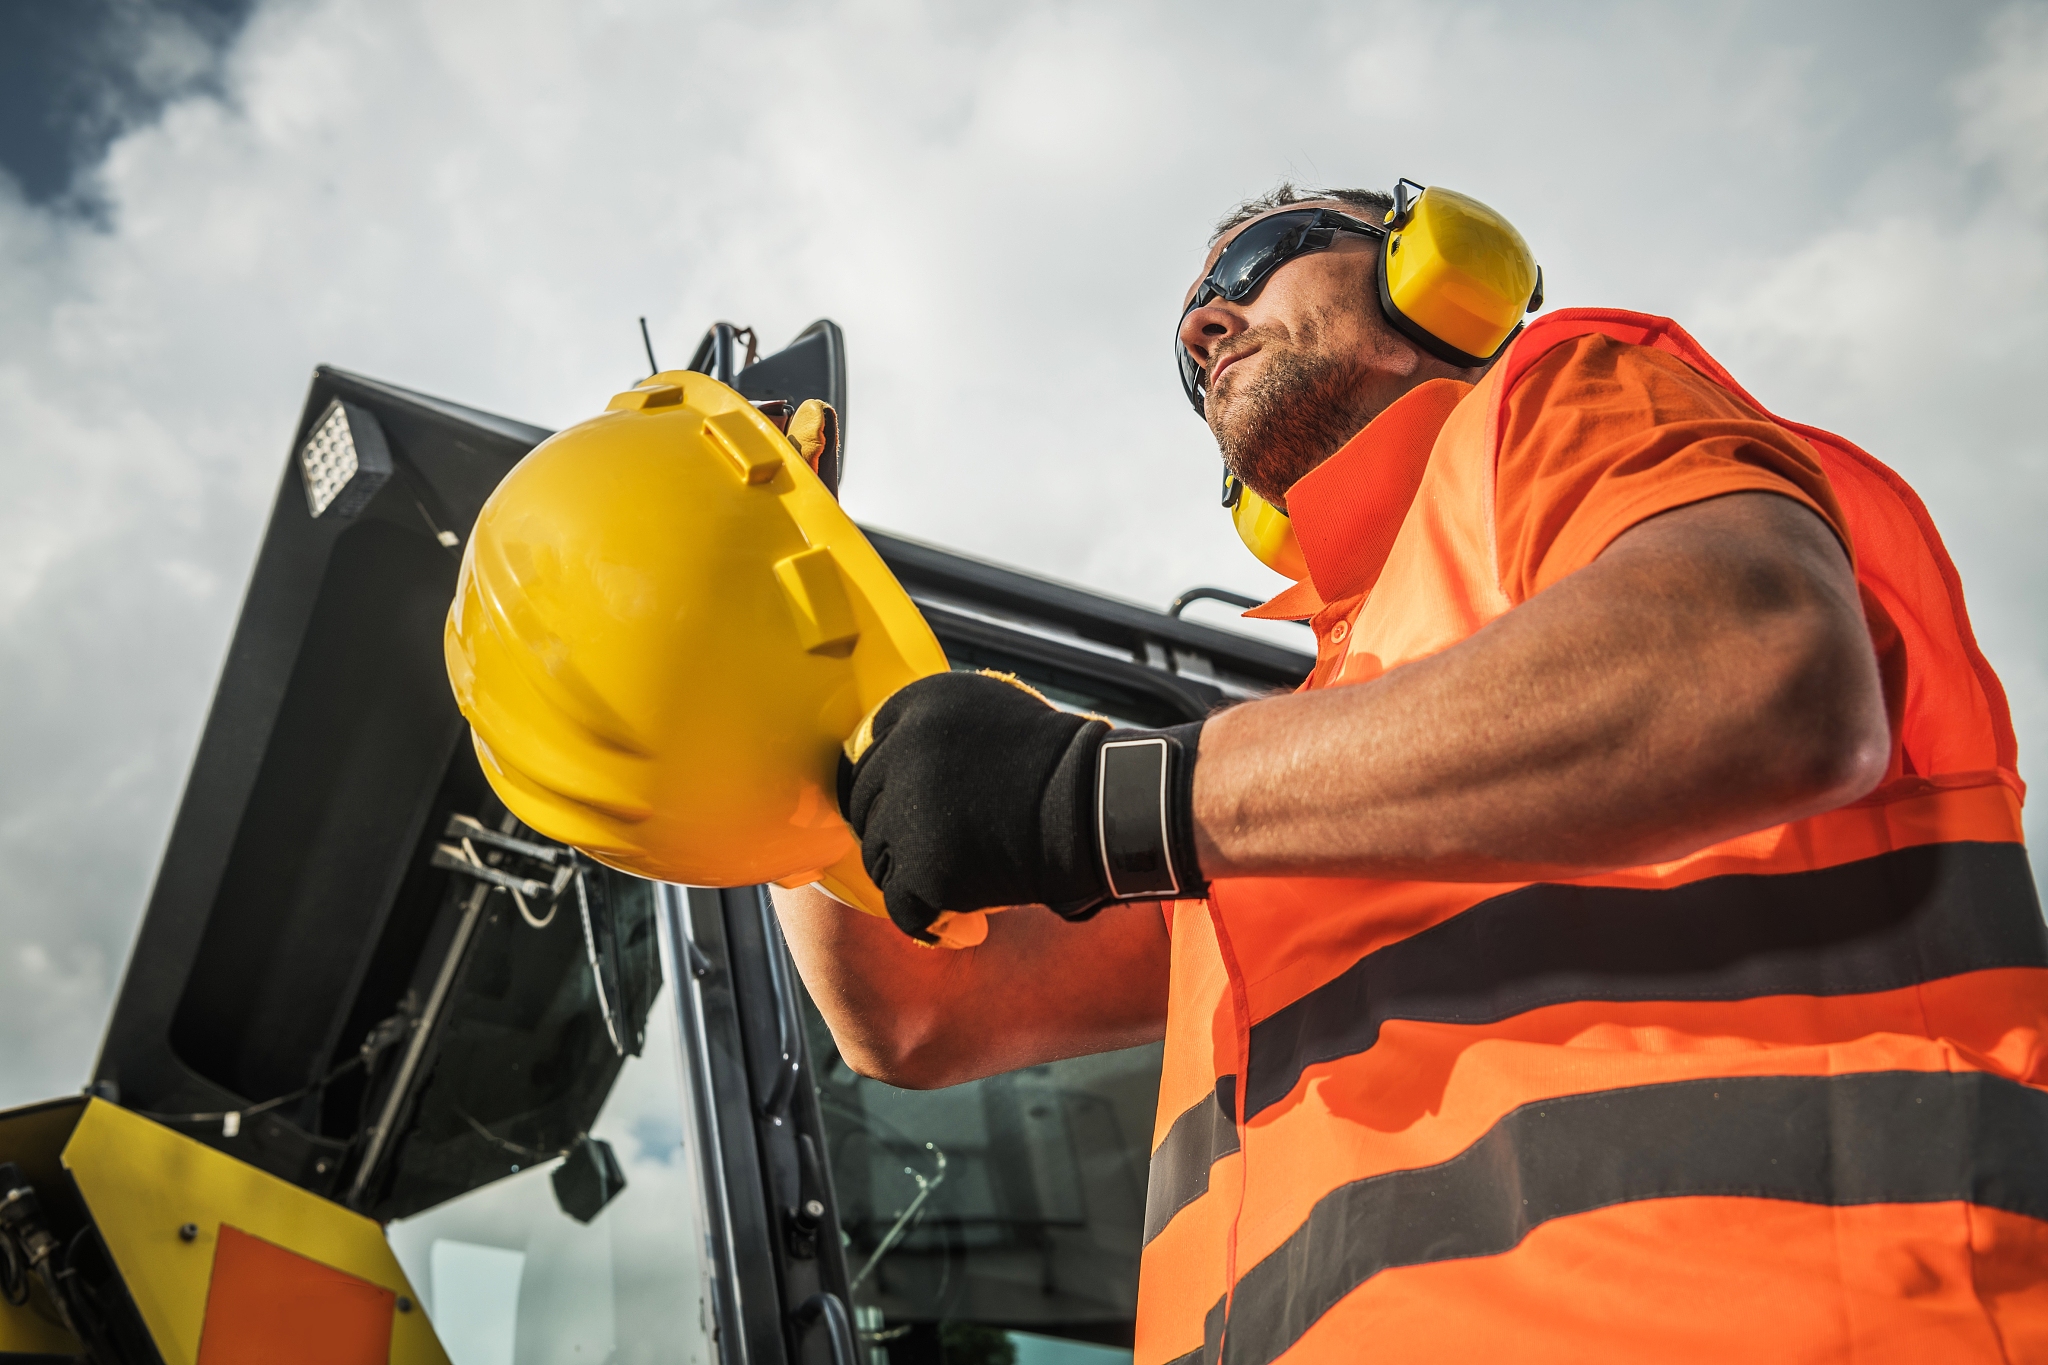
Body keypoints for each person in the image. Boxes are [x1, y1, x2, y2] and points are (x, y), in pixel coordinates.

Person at [773, 183, 2048, 1362]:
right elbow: (925, 1014)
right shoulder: (1308, 757)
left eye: (1257, 264)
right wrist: (777, 639)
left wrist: (1112, 800)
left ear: (1433, 265)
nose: (1209, 325)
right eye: (1185, 350)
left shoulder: (1566, 397)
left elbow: (1753, 665)